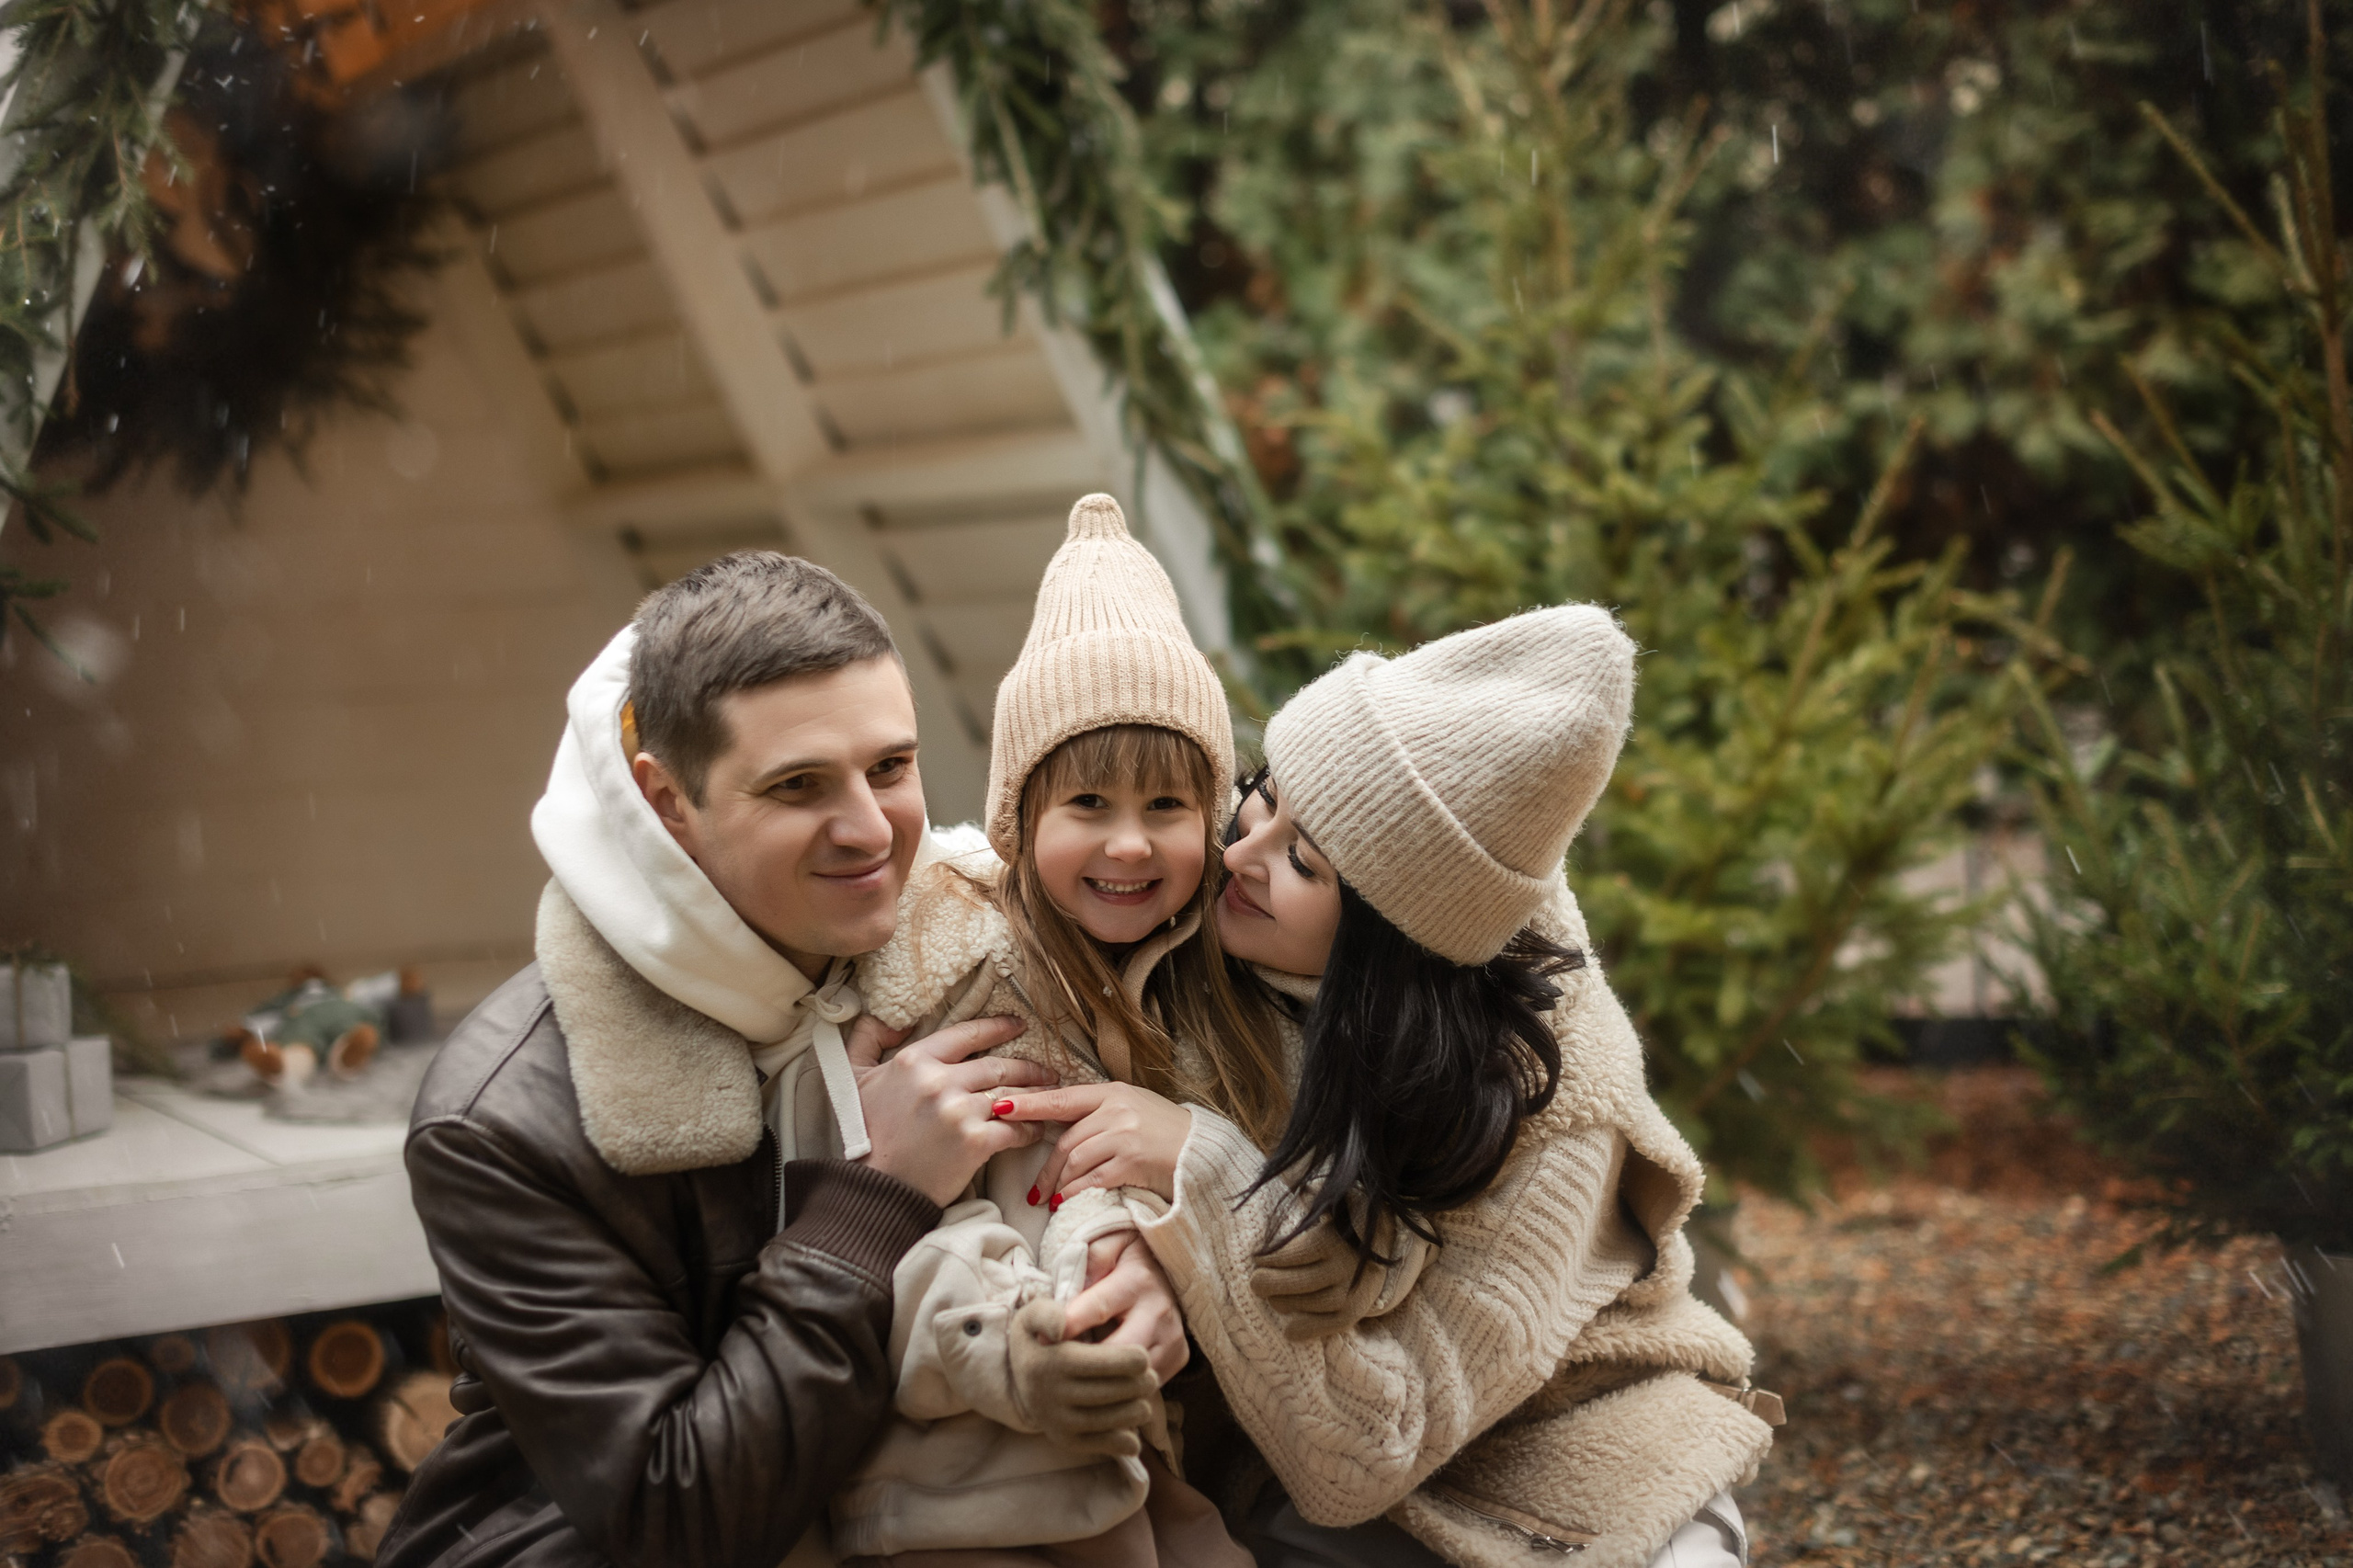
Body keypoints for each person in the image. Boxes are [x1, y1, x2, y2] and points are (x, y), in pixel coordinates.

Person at [378, 553, 1178, 1568]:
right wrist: (872, 1201)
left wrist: (1139, 1259)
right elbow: (682, 1517)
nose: (869, 829)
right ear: (665, 799)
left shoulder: (973, 946)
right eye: (799, 785)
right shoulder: (504, 1118)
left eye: (890, 766)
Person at [1001, 606, 1781, 1568]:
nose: (1239, 855)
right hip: (1300, 1489)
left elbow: (1368, 1451)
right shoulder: (1213, 906)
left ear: (1389, 941)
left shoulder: (1552, 1104)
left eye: (1301, 861)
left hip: (1573, 1448)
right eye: (1263, 797)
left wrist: (1205, 1174)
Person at [830, 495, 1281, 1568]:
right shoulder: (951, 945)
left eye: (1168, 806)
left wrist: (1161, 1244)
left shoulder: (1218, 992)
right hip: (944, 1451)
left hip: (1136, 1436)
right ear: (1019, 815)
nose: (1129, 844)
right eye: (1087, 801)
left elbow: (1280, 1198)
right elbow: (849, 1162)